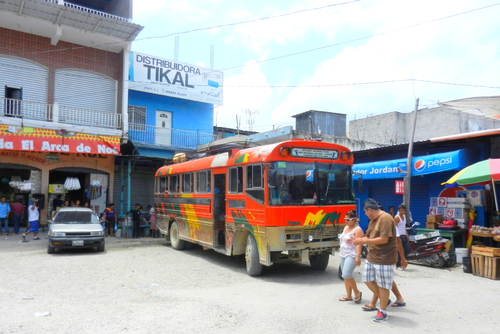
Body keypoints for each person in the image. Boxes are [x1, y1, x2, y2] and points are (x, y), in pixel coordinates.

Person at [353, 198, 397, 322]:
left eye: (365, 212)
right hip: (372, 255)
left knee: (383, 285)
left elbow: (384, 239)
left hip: (384, 257)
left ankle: (382, 311)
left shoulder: (386, 218)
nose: (365, 214)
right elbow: (369, 235)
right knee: (367, 279)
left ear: (370, 209)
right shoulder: (373, 220)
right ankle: (383, 299)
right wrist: (359, 240)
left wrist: (364, 240)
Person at [361, 229, 408, 311]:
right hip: (376, 257)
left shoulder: (390, 226)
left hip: (385, 258)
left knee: (380, 281)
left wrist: (402, 259)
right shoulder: (378, 225)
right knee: (384, 280)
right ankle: (398, 298)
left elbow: (398, 243)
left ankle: (375, 302)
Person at [338, 209, 363, 304]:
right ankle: (348, 295)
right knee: (345, 276)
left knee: (346, 274)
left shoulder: (358, 230)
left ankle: (357, 292)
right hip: (343, 254)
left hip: (351, 254)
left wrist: (357, 256)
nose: (346, 221)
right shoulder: (346, 228)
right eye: (345, 219)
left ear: (354, 220)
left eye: (348, 220)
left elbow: (359, 244)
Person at [394, 204, 411, 270]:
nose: (402, 212)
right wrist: (396, 237)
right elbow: (395, 228)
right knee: (399, 251)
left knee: (408, 249)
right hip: (399, 235)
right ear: (399, 210)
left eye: (403, 210)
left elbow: (404, 227)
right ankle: (398, 265)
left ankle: (402, 261)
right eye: (401, 210)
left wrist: (407, 234)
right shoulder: (396, 217)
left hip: (404, 235)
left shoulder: (404, 216)